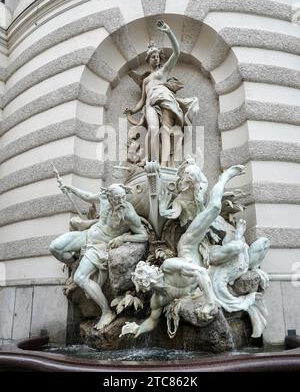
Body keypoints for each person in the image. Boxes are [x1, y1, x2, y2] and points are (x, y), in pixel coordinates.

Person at [121, 164, 245, 338]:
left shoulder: (168, 266)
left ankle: (225, 177)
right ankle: (238, 237)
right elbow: (152, 320)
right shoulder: (158, 299)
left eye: (144, 273)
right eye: (143, 278)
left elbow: (200, 273)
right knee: (236, 248)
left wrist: (210, 303)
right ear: (145, 285)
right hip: (206, 262)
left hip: (189, 245)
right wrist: (138, 328)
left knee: (215, 207)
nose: (146, 276)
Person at [50, 183, 148, 330]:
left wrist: (123, 238)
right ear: (109, 197)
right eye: (117, 198)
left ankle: (107, 312)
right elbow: (88, 196)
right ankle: (76, 262)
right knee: (55, 247)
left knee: (80, 278)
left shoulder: (127, 212)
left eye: (123, 197)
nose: (121, 201)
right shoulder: (103, 197)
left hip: (99, 247)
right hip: (87, 235)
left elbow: (144, 236)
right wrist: (71, 188)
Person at [125, 20, 198, 166]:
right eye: (153, 56)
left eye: (157, 56)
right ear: (148, 60)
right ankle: (151, 160)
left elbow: (176, 52)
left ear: (160, 59)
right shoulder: (146, 81)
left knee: (165, 131)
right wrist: (132, 110)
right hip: (150, 105)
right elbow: (142, 99)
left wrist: (169, 32)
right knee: (152, 128)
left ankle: (161, 163)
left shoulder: (164, 71)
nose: (156, 58)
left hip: (165, 101)